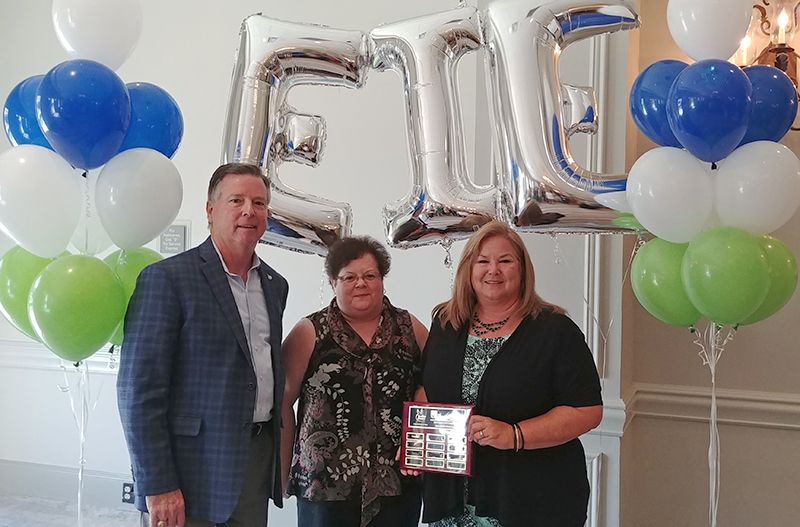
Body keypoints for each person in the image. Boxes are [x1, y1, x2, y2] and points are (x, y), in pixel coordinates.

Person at [117, 163, 289, 527]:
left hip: (255, 461)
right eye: (236, 200)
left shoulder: (275, 285)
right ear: (210, 210)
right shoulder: (167, 279)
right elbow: (138, 391)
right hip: (190, 469)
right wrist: (158, 483)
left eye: (259, 203)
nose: (249, 211)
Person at [419, 220, 603, 527]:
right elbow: (424, 388)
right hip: (453, 500)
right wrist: (420, 440)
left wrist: (513, 435)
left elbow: (587, 410)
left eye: (505, 261)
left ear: (523, 270)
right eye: (483, 261)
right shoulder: (445, 323)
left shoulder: (556, 330)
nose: (493, 270)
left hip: (532, 498)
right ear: (468, 269)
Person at [280, 236, 428, 527]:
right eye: (349, 277)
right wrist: (282, 474)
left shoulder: (408, 326)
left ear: (382, 280)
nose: (361, 283)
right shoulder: (309, 331)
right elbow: (283, 405)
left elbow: (437, 379)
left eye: (369, 275)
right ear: (334, 282)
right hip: (325, 485)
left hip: (396, 481)